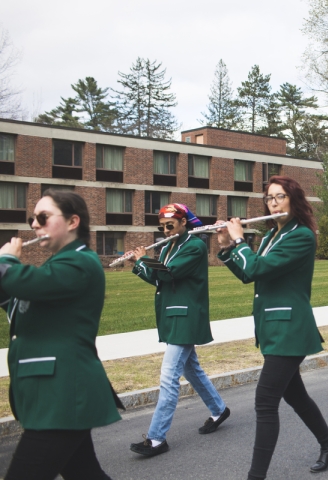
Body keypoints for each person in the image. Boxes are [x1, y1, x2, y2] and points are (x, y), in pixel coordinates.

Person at [216, 176, 328, 479]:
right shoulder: (273, 235)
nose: (273, 203)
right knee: (294, 395)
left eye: (280, 196)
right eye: (270, 198)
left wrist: (239, 241)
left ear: (293, 201)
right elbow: (251, 275)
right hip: (272, 327)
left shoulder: (302, 236)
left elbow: (257, 267)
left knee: (265, 402)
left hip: (290, 329)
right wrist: (226, 248)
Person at [0, 190, 122, 479]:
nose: (34, 225)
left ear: (72, 222)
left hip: (64, 394)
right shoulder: (57, 264)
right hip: (56, 395)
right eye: (33, 219)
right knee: (85, 474)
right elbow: (18, 302)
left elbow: (26, 282)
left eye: (43, 217)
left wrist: (6, 260)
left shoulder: (81, 262)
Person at [130, 203, 230, 457]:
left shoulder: (195, 246)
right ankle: (219, 409)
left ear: (184, 222)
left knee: (168, 377)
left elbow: (169, 272)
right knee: (191, 369)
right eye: (162, 226)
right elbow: (157, 278)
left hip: (185, 317)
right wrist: (140, 264)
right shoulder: (168, 247)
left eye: (170, 225)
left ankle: (156, 439)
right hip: (172, 316)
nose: (165, 230)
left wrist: (144, 259)